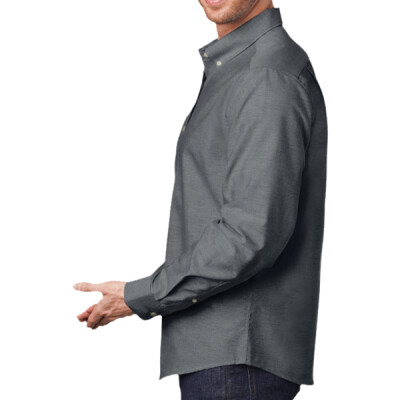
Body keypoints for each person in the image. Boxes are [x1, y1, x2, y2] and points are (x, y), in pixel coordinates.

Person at [73, 0, 328, 398]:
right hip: (226, 356)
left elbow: (250, 234)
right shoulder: (240, 68)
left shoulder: (266, 75)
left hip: (236, 359)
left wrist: (140, 295)